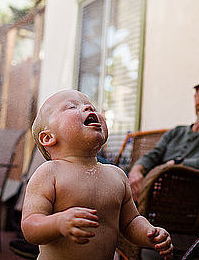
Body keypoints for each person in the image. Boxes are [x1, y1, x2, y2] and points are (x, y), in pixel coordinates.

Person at [21, 89, 174, 260]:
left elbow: (130, 222)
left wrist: (149, 233)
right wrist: (58, 223)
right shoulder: (50, 173)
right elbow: (29, 226)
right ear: (48, 137)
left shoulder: (117, 175)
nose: (88, 108)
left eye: (91, 106)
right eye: (72, 107)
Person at [129, 78, 199, 201]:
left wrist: (179, 163)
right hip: (147, 188)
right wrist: (137, 169)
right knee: (109, 172)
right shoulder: (177, 131)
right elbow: (154, 154)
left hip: (174, 199)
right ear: (194, 98)